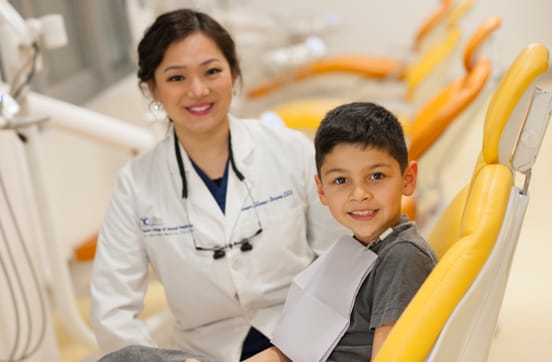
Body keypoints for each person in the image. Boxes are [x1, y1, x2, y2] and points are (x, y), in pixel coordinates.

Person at [89, 8, 344, 362]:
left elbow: (339, 259)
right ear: (153, 89)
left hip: (305, 339)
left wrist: (290, 350)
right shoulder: (136, 184)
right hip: (204, 355)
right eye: (177, 78)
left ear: (234, 74)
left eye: (212, 72)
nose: (198, 90)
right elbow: (111, 309)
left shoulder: (289, 149)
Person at [97, 102, 438, 361]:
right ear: (320, 191)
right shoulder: (363, 248)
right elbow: (292, 349)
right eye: (341, 181)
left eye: (376, 176)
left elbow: (393, 355)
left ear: (408, 179)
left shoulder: (400, 257)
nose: (359, 194)